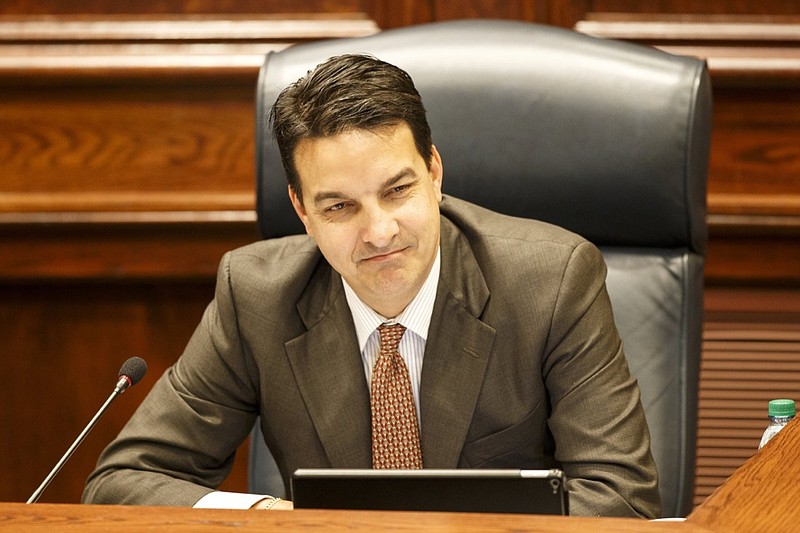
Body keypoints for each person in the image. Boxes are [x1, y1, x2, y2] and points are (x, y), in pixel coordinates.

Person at [82, 53, 661, 518]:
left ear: (434, 173)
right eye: (339, 206)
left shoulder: (552, 281)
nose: (379, 232)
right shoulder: (256, 297)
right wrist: (273, 515)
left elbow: (622, 499)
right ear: (300, 210)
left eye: (397, 190)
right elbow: (121, 483)